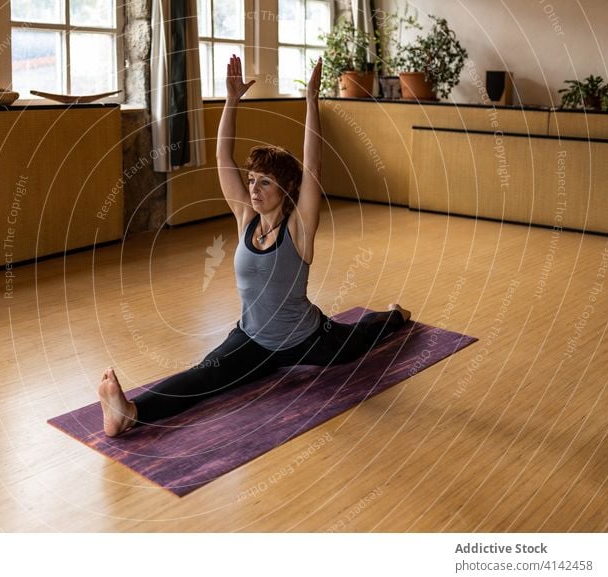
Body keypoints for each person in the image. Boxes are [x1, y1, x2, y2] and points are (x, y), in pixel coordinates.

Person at [98, 55, 410, 437]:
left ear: (286, 189)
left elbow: (313, 166)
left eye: (265, 182)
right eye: (251, 180)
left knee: (360, 338)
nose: (254, 189)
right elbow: (221, 157)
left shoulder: (299, 228)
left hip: (308, 338)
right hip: (252, 339)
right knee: (203, 377)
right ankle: (128, 412)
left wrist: (312, 101)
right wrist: (231, 102)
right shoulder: (245, 218)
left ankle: (395, 315)